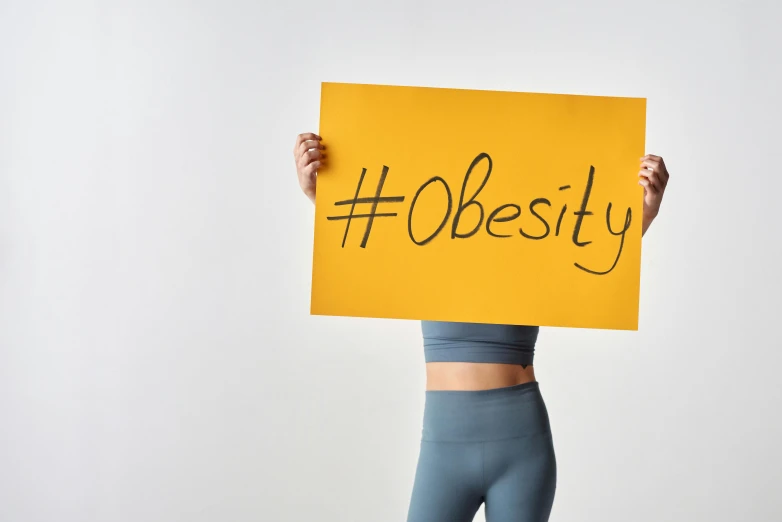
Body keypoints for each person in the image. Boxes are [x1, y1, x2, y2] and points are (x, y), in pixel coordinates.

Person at [292, 131, 669, 522]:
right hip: (444, 446)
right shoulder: (420, 237)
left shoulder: (533, 235)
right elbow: (366, 242)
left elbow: (591, 266)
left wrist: (644, 214)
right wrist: (320, 195)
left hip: (522, 444)